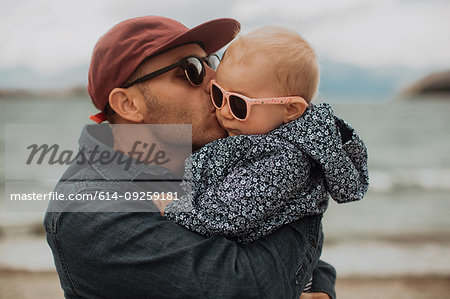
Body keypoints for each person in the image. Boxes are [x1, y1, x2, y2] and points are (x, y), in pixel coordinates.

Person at [44, 16, 337, 299]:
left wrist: (319, 283)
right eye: (191, 70)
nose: (216, 81)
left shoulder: (194, 154)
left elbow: (262, 224)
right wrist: (304, 170)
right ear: (128, 104)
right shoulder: (89, 211)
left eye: (212, 61)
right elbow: (249, 286)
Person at [164, 27, 369, 292]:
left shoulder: (286, 159)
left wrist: (170, 206)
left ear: (291, 110)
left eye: (239, 104)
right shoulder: (254, 133)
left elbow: (227, 214)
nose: (223, 112)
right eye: (218, 94)